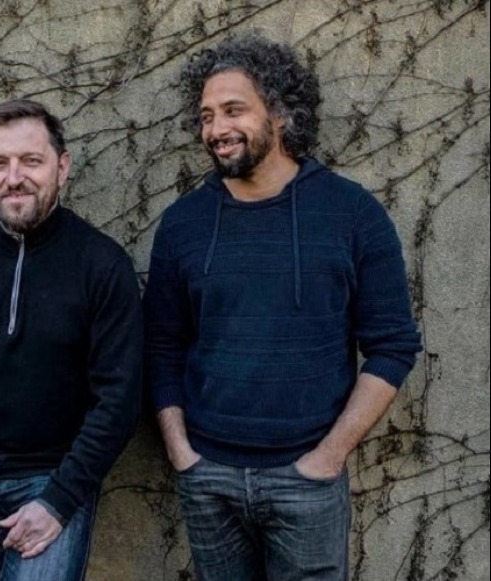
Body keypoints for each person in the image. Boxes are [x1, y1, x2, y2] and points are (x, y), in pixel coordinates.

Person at [144, 35, 422, 580]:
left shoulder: (352, 213)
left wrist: (329, 456)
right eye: (206, 116)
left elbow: (392, 347)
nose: (216, 129)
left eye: (233, 110)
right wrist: (181, 452)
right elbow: (161, 346)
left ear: (280, 113)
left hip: (307, 481)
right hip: (208, 477)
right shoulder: (183, 223)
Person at [0, 98, 142, 581]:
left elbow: (119, 399)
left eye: (31, 161)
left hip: (52, 484)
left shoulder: (101, 263)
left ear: (62, 167)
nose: (14, 177)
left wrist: (60, 499)